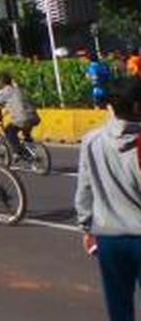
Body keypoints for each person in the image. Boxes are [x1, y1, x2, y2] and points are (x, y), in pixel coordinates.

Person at [75, 78, 141, 321]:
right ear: (136, 107)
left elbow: (84, 188)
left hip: (109, 238)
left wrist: (86, 226)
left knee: (119, 308)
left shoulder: (92, 140)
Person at [0, 72, 42, 156]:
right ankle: (29, 143)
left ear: (1, 82)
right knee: (25, 129)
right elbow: (17, 104)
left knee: (9, 131)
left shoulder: (5, 91)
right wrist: (5, 112)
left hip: (22, 118)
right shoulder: (19, 89)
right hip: (34, 117)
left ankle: (19, 152)